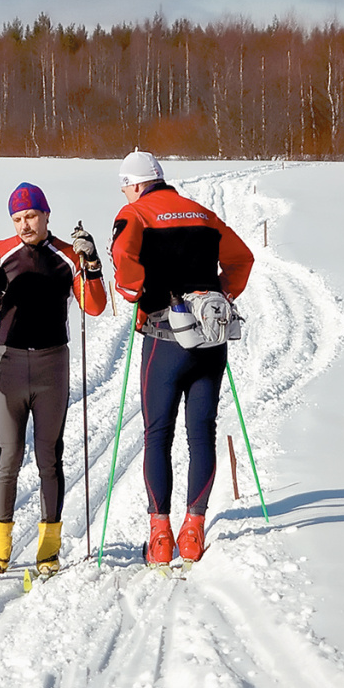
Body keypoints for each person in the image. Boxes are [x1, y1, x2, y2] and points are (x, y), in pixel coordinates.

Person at [110, 151, 254, 564]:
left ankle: (160, 537)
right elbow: (242, 257)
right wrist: (224, 293)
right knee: (201, 433)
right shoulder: (203, 214)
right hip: (211, 338)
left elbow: (123, 259)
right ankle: (193, 531)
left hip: (165, 336)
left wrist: (134, 290)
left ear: (135, 184)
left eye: (125, 186)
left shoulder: (135, 212)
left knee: (158, 435)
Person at [0, 182, 107, 576]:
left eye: (31, 216)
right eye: (17, 218)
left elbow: (95, 307)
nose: (24, 225)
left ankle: (49, 551)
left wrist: (92, 265)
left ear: (46, 214)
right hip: (8, 362)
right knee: (8, 456)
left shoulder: (67, 255)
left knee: (49, 457)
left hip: (52, 364)